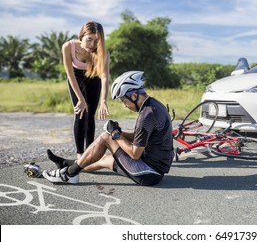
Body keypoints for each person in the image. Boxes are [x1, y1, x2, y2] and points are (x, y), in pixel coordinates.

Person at [43, 71, 174, 186]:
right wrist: (120, 132)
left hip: (147, 173)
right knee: (104, 159)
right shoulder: (154, 106)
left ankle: (69, 175)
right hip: (154, 170)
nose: (125, 105)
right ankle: (68, 164)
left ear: (133, 96)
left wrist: (115, 134)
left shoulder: (146, 115)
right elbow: (138, 137)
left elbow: (135, 154)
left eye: (124, 101)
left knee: (105, 137)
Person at [60, 21, 110, 160]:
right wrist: (81, 99)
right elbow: (70, 74)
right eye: (89, 39)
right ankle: (80, 154)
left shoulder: (103, 52)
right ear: (81, 36)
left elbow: (105, 76)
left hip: (94, 78)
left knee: (90, 115)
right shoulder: (68, 47)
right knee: (81, 113)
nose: (92, 45)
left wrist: (104, 101)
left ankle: (90, 153)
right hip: (76, 78)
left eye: (96, 41)